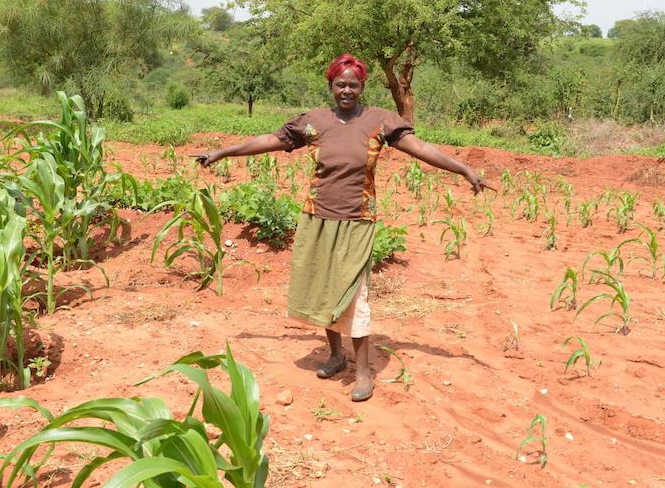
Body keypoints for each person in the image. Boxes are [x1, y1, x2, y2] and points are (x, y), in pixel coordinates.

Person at [198, 54, 492, 401]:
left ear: (362, 86)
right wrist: (224, 152)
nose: (347, 90)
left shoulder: (379, 121)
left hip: (357, 219)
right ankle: (336, 355)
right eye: (341, 84)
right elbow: (269, 140)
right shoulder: (314, 122)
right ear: (331, 87)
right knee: (324, 287)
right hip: (318, 217)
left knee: (354, 295)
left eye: (353, 84)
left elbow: (421, 148)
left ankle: (364, 371)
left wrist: (463, 169)